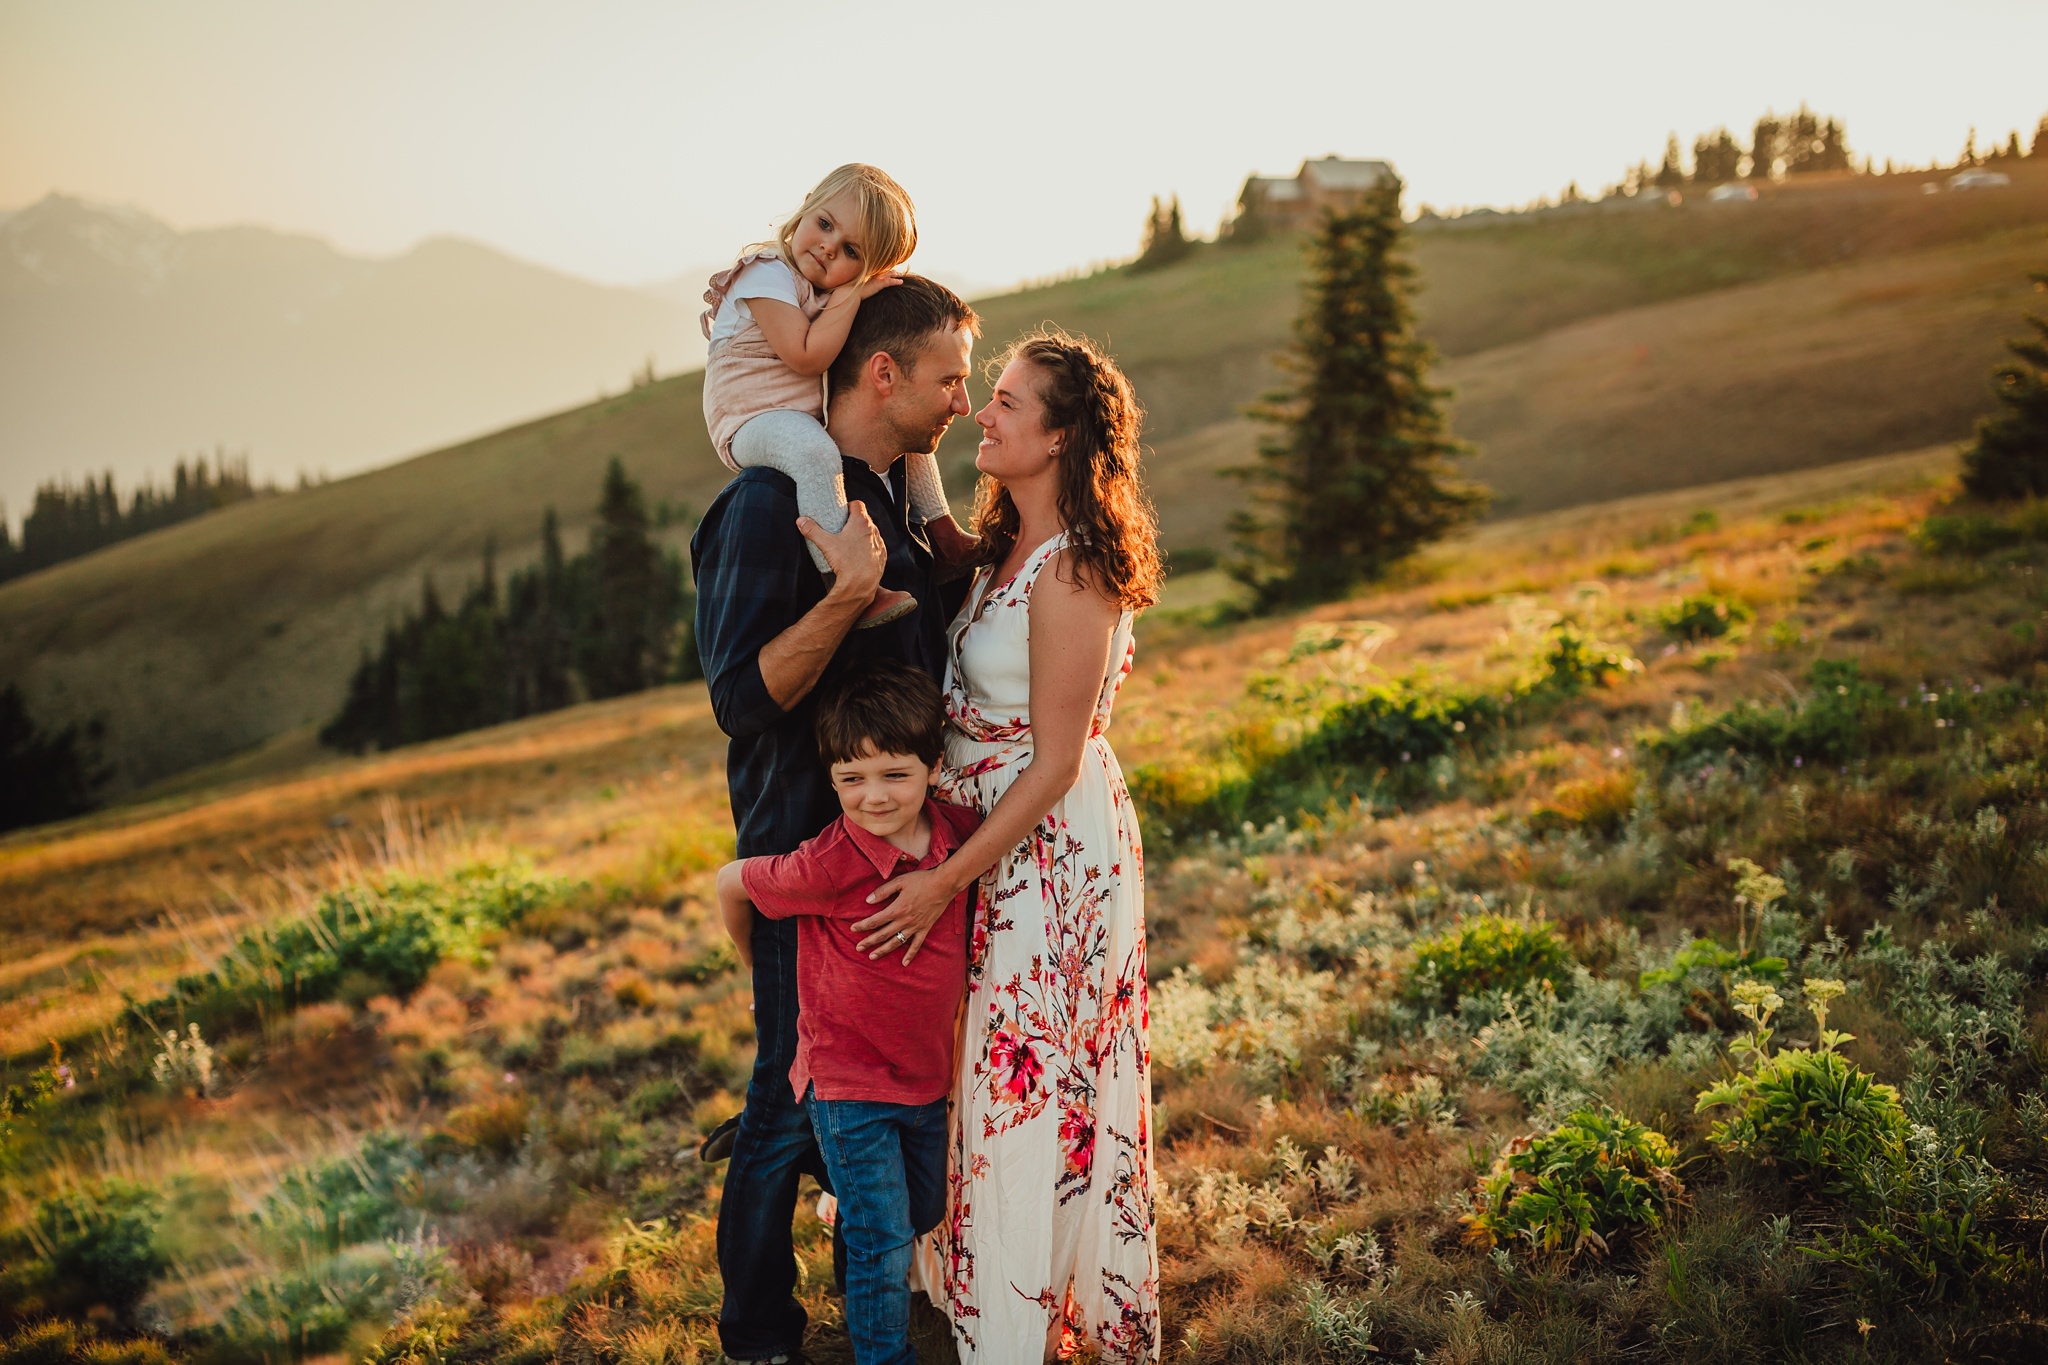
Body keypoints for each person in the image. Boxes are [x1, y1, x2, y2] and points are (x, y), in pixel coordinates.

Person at [854, 329, 1164, 1362]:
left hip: (1041, 852)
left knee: (1025, 1075)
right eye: (986, 395)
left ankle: (1024, 1319)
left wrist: (943, 879)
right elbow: (919, 463)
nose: (984, 413)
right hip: (982, 838)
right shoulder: (1003, 550)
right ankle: (981, 1286)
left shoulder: (1072, 569)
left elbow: (1058, 762)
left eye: (1010, 403)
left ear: (1065, 437)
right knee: (976, 1070)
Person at [691, 274, 979, 1365]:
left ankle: (878, 1280)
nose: (962, 398)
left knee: (843, 1097)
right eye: (946, 376)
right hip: (805, 858)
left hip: (891, 854)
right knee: (782, 1094)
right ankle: (759, 1336)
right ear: (880, 372)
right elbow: (738, 699)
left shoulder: (888, 492)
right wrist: (842, 596)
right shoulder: (770, 505)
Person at [714, 660, 982, 1365]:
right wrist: (758, 971)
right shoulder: (829, 862)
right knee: (881, 1232)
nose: (873, 797)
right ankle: (882, 1354)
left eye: (894, 774)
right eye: (851, 779)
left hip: (926, 1076)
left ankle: (824, 1169)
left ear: (932, 764)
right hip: (847, 1074)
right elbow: (732, 882)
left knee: (922, 1211)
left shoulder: (960, 835)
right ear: (830, 779)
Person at [700, 163, 975, 628]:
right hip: (747, 418)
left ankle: (944, 535)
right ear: (807, 206)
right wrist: (853, 294)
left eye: (851, 250)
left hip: (796, 413)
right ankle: (848, 583)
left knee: (906, 429)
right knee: (813, 451)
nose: (828, 246)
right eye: (825, 224)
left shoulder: (824, 291)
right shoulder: (766, 274)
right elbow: (805, 356)